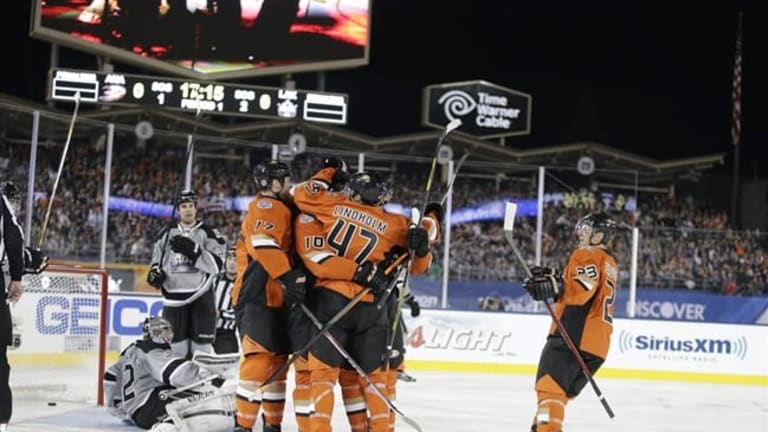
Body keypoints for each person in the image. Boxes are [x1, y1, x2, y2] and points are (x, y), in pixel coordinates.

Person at [292, 162, 441, 432]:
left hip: (330, 300)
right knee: (374, 380)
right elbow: (420, 264)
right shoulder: (393, 223)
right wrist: (429, 228)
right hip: (371, 307)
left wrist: (329, 173)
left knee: (323, 378)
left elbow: (301, 193)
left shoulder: (329, 205)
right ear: (379, 197)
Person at [523, 212, 619, 432]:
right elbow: (586, 281)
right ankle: (542, 428)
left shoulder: (587, 253)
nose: (581, 235)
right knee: (555, 399)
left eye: (587, 230)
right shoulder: (610, 262)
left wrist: (555, 287)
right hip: (597, 346)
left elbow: (583, 288)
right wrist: (555, 275)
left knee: (549, 391)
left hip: (572, 337)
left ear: (599, 236)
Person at [231, 161, 308, 432]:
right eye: (286, 180)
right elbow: (264, 244)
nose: (290, 184)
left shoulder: (280, 206)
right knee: (260, 359)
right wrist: (288, 276)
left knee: (277, 363)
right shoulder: (267, 206)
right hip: (257, 295)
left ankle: (272, 426)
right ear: (273, 184)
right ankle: (243, 426)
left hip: (275, 297)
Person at [103, 316, 235, 432]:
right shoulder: (152, 351)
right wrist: (209, 378)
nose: (168, 334)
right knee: (206, 394)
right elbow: (178, 374)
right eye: (164, 330)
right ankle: (167, 426)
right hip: (152, 406)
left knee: (196, 394)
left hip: (139, 413)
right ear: (154, 333)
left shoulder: (129, 351)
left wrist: (121, 409)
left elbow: (110, 377)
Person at [146, 190, 226, 358]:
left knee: (201, 347)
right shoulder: (166, 233)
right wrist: (155, 273)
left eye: (191, 206)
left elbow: (218, 265)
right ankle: (180, 379)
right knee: (177, 348)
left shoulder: (210, 233)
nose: (188, 210)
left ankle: (200, 381)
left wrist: (195, 252)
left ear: (196, 209)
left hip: (201, 296)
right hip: (173, 298)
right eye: (184, 206)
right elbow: (156, 260)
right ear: (178, 209)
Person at [1, 181, 48, 432]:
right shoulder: (5, 212)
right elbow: (13, 242)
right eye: (12, 198)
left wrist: (27, 259)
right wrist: (24, 264)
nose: (14, 203)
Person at [212, 247, 238, 354]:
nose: (232, 263)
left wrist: (220, 314)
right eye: (230, 259)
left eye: (235, 260)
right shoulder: (214, 280)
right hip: (205, 331)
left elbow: (241, 313)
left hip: (226, 334)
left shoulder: (244, 285)